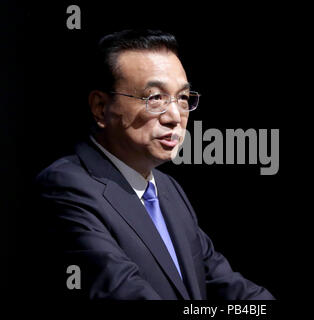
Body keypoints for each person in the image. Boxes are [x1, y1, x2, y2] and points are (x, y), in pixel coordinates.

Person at [34, 29, 274, 300]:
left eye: (182, 98)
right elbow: (124, 291)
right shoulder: (65, 186)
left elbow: (225, 284)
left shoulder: (168, 189)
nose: (174, 116)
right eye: (155, 98)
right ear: (101, 107)